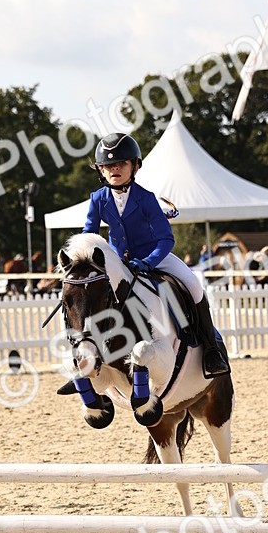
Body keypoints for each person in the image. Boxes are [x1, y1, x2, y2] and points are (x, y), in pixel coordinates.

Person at [83, 133, 229, 377]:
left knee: (193, 285)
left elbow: (166, 239)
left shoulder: (146, 198)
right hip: (118, 261)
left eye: (121, 163)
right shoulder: (98, 199)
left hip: (153, 256)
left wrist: (147, 262)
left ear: (135, 166)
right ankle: (86, 356)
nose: (114, 169)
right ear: (100, 170)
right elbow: (89, 235)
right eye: (108, 166)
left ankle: (212, 351)